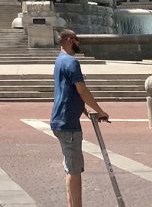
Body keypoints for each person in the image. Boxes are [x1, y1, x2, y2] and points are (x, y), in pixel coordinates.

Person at [50, 29, 110, 207]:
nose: (79, 43)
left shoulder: (59, 60)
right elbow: (82, 90)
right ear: (69, 40)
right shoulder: (72, 62)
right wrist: (100, 111)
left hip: (60, 120)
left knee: (71, 167)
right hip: (68, 123)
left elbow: (69, 92)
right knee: (74, 170)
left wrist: (84, 111)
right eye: (77, 39)